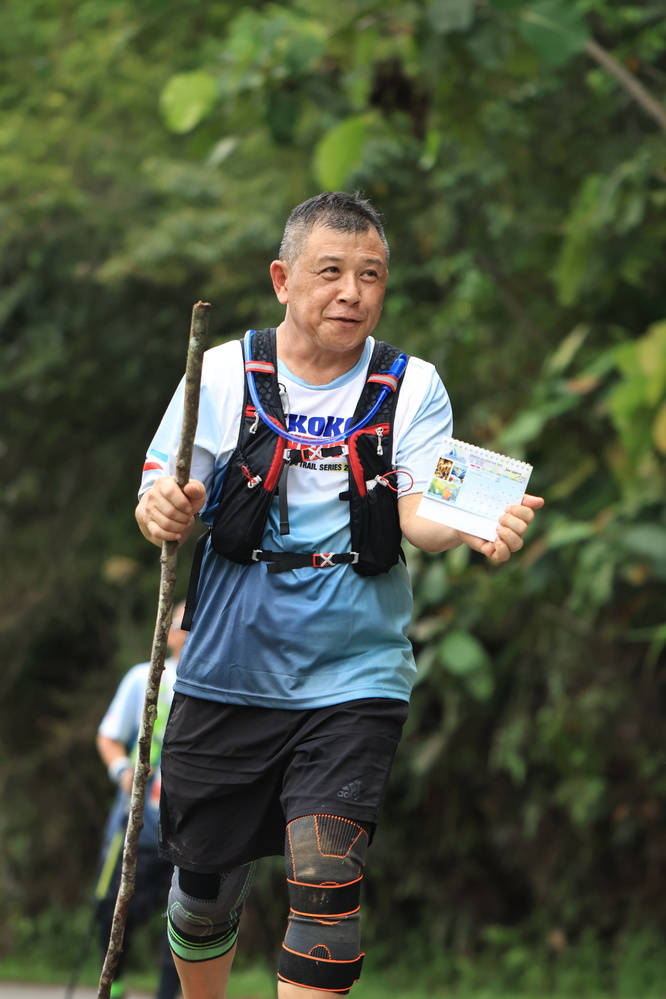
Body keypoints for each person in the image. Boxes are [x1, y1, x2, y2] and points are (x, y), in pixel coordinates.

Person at [135, 191, 544, 999]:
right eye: (331, 272)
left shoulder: (412, 385)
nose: (352, 292)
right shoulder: (220, 373)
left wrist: (475, 524)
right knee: (203, 890)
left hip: (354, 677)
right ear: (283, 279)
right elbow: (159, 494)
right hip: (227, 672)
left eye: (371, 275)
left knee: (328, 884)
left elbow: (418, 514)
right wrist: (165, 510)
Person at [95, 603, 188, 999]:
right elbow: (109, 735)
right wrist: (122, 771)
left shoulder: (221, 681)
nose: (190, 631)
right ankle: (112, 984)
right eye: (183, 623)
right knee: (111, 906)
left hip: (189, 827)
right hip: (137, 822)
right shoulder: (145, 676)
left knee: (184, 919)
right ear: (169, 631)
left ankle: (169, 993)